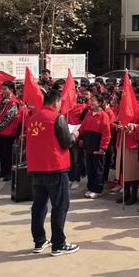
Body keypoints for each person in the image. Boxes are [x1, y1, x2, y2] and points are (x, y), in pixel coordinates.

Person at [26, 90, 79, 256]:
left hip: (36, 168)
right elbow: (66, 142)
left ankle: (39, 241)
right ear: (56, 102)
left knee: (39, 205)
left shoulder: (32, 118)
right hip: (55, 167)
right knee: (60, 205)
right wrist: (75, 134)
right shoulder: (57, 118)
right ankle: (59, 243)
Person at [77, 94, 111, 199]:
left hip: (97, 147)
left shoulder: (103, 115)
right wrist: (79, 137)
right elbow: (82, 128)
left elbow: (106, 134)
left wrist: (103, 147)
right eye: (90, 100)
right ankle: (90, 188)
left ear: (99, 103)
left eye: (93, 100)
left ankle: (97, 189)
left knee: (98, 169)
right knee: (90, 169)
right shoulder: (88, 114)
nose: (91, 102)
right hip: (88, 146)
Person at [0, 81, 20, 181]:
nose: (2, 91)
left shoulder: (13, 102)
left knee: (8, 153)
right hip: (0, 131)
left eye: (5, 89)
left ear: (11, 90)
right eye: (2, 89)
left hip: (9, 131)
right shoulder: (2, 100)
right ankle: (3, 171)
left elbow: (9, 117)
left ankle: (9, 173)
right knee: (1, 152)